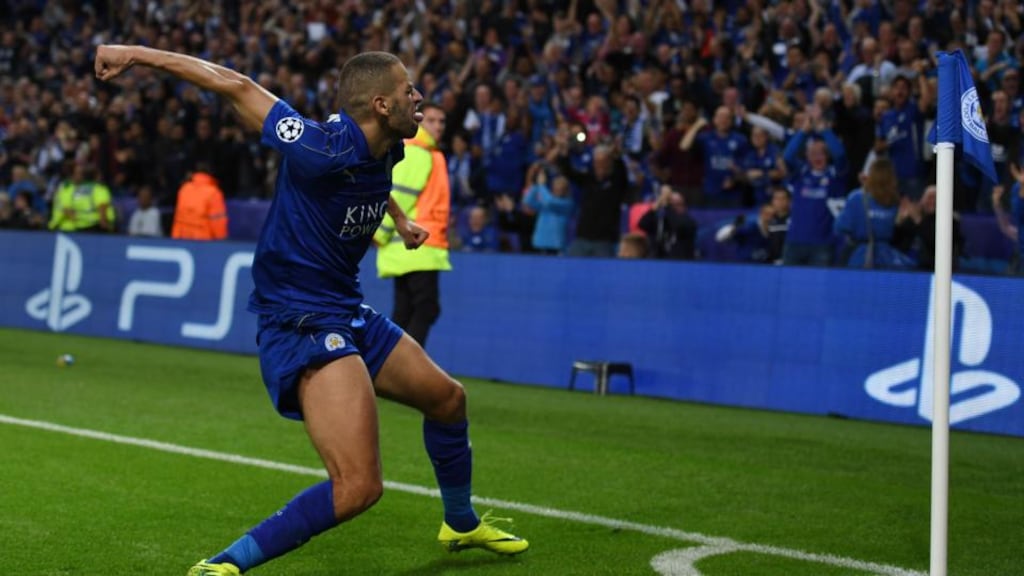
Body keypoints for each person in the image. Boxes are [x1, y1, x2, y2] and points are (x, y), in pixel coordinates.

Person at [94, 45, 527, 576]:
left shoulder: (388, 146)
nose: (419, 96)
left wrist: (398, 221)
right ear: (380, 105)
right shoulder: (318, 146)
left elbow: (370, 181)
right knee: (358, 487)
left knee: (447, 399)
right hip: (301, 320)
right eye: (407, 90)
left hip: (345, 308)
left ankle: (459, 524)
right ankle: (224, 565)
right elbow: (234, 84)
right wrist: (135, 55)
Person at [374, 103, 452, 347]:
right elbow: (401, 195)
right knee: (425, 309)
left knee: (405, 312)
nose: (437, 126)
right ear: (419, 121)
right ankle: (403, 370)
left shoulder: (415, 149)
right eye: (431, 120)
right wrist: (380, 232)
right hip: (419, 245)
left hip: (405, 248)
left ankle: (389, 367)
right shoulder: (420, 152)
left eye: (441, 121)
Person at [47, 163, 115, 233]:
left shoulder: (81, 188)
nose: (82, 175)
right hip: (66, 228)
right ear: (72, 175)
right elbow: (67, 210)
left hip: (77, 228)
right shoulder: (67, 188)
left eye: (82, 173)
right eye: (80, 173)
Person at [637, 185, 697, 260]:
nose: (673, 208)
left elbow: (678, 225)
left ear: (684, 207)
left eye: (677, 204)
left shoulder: (689, 223)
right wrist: (657, 203)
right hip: (658, 262)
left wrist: (667, 206)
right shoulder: (661, 222)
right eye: (671, 205)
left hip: (680, 263)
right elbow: (642, 224)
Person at [171, 163, 229, 240]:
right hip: (204, 242)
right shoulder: (214, 193)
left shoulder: (184, 189)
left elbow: (178, 218)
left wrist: (175, 239)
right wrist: (222, 241)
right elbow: (218, 222)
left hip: (182, 239)